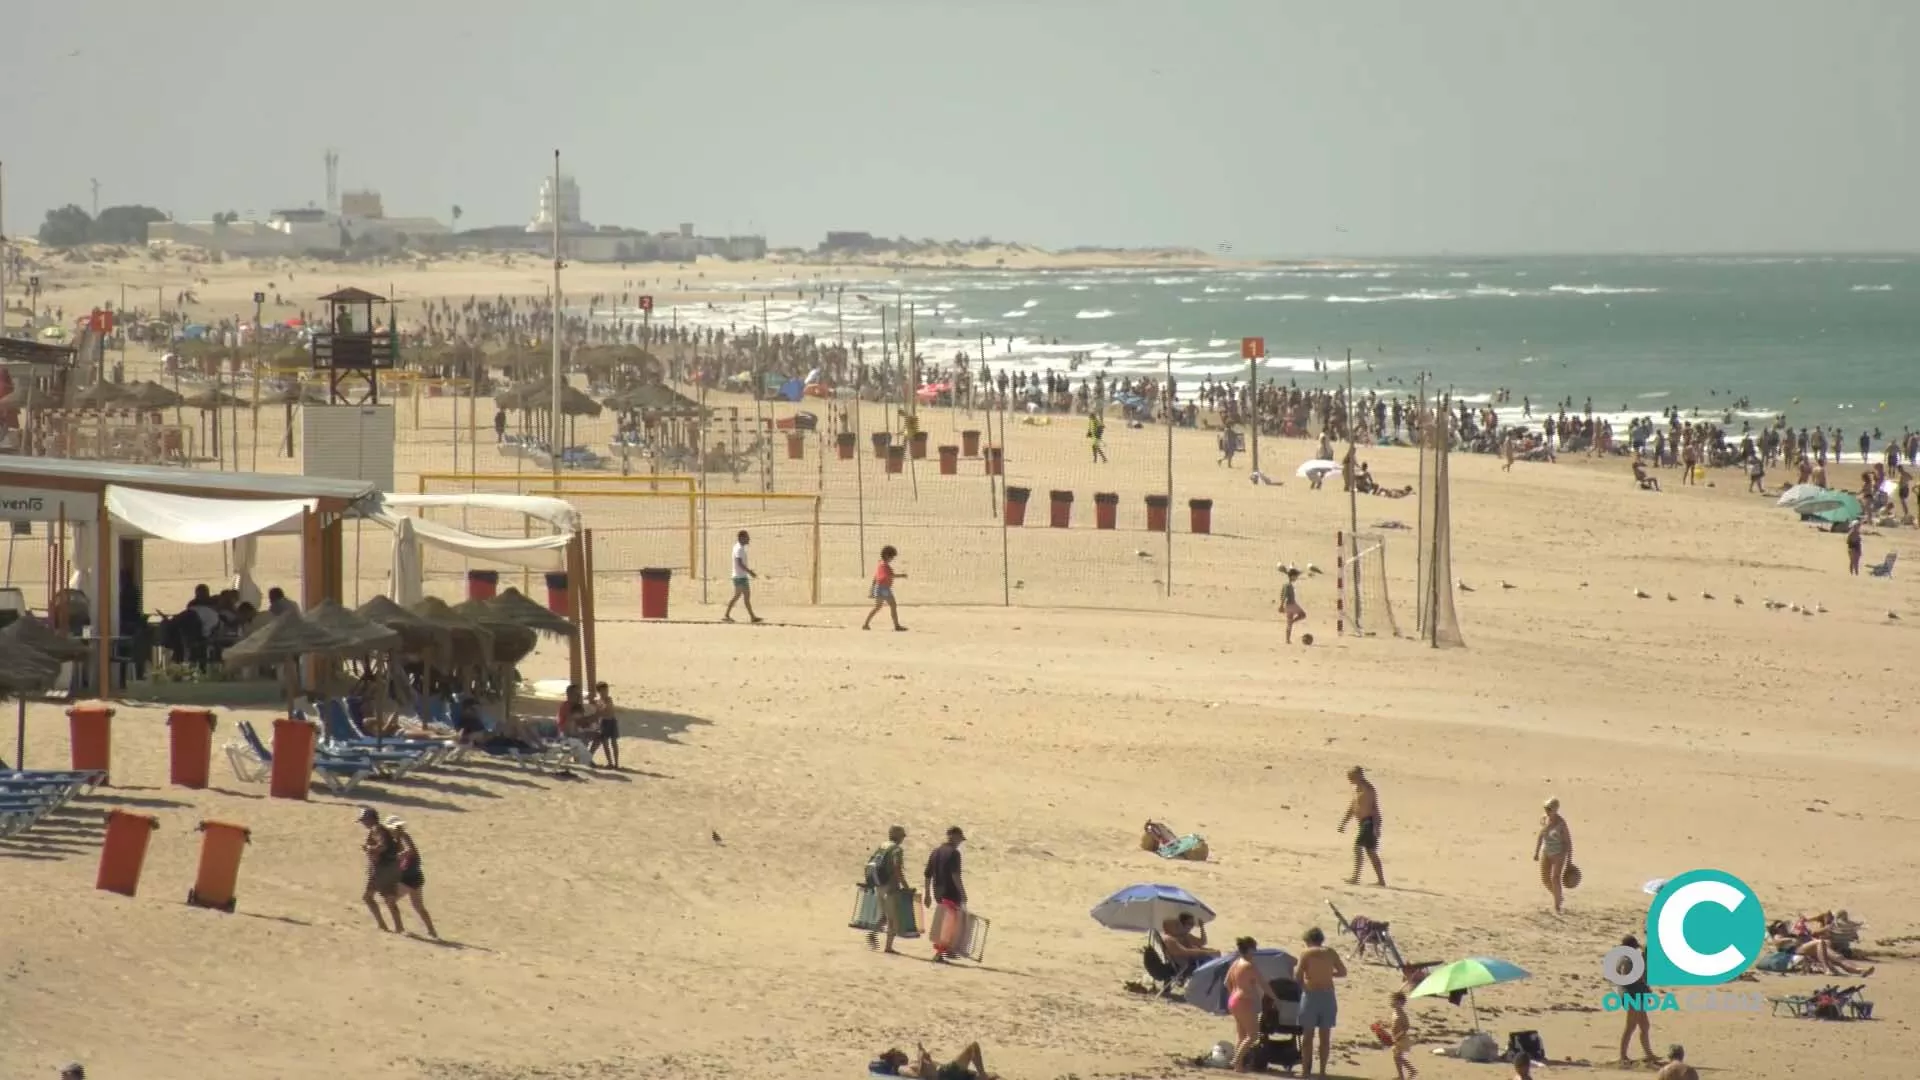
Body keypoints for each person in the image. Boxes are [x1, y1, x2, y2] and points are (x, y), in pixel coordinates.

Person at [1296, 927, 1347, 1079]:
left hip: (1311, 995)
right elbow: (1343, 972)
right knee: (1325, 1037)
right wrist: (1328, 973)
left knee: (1307, 1037)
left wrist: (1305, 984)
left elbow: (1297, 976)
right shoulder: (1330, 952)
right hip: (1327, 996)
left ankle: (1305, 1071)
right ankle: (1322, 1072)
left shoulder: (1306, 953)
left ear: (1309, 940)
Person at [1226, 937, 1279, 1073]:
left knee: (1242, 1035)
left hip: (1233, 1000)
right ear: (1249, 949)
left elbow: (1227, 982)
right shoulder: (1249, 966)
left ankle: (1238, 1066)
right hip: (1244, 1000)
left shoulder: (1236, 963)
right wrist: (1275, 998)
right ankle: (1235, 1061)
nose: (1255, 951)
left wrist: (1234, 994)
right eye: (1254, 949)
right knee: (1253, 1035)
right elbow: (1263, 984)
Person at [388, 818, 440, 939]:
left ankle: (399, 928)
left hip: (408, 879)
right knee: (418, 906)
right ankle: (432, 931)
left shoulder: (403, 837)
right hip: (416, 877)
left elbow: (409, 851)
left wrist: (398, 856)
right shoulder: (400, 839)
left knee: (390, 900)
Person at [358, 807, 406, 933]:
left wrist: (369, 848)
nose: (363, 823)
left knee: (374, 898)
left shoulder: (377, 829)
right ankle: (392, 926)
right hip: (385, 869)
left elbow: (382, 846)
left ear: (371, 819)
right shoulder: (381, 830)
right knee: (382, 899)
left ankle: (389, 926)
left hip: (382, 870)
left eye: (364, 820)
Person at [923, 826, 967, 962]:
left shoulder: (935, 852)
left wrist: (927, 894)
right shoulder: (954, 853)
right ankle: (940, 953)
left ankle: (947, 951)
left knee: (944, 922)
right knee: (949, 924)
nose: (960, 842)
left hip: (938, 892)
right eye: (960, 839)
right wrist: (962, 892)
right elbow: (955, 875)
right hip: (951, 892)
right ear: (954, 837)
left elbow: (928, 875)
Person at [1337, 766, 1386, 887]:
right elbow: (1353, 807)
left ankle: (1355, 878)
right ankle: (1381, 881)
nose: (1349, 779)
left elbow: (1374, 808)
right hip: (1363, 822)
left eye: (1351, 777)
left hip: (1369, 822)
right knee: (1370, 851)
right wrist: (1344, 822)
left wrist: (1376, 827)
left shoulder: (1368, 789)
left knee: (1358, 847)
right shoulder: (1358, 789)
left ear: (1358, 776)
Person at [1614, 934, 1658, 1066]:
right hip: (1631, 995)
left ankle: (1649, 1054)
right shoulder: (1627, 960)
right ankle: (1623, 1056)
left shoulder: (1629, 958)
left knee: (1644, 1025)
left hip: (1636, 994)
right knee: (1631, 1026)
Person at [867, 824, 910, 954]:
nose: (903, 838)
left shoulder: (883, 846)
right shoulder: (896, 849)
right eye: (902, 835)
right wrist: (905, 886)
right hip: (890, 886)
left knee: (884, 916)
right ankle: (888, 947)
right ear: (898, 836)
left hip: (879, 884)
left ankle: (873, 932)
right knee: (892, 918)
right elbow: (897, 868)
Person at [871, 1042, 998, 1080]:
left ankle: (982, 1075)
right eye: (899, 1054)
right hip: (944, 1074)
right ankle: (982, 1075)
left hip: (950, 1074)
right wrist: (921, 1058)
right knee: (973, 1047)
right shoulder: (901, 1068)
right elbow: (919, 1076)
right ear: (894, 1060)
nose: (903, 1054)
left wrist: (926, 1059)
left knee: (995, 1077)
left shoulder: (910, 1064)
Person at [1534, 798, 1573, 914]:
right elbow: (1541, 835)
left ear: (1555, 810)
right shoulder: (1544, 819)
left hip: (1558, 854)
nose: (1547, 811)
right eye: (1546, 808)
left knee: (1555, 878)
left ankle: (1557, 906)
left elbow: (1568, 842)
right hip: (1546, 851)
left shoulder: (1561, 823)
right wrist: (1536, 851)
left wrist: (1569, 860)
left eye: (1549, 809)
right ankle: (1558, 896)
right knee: (1545, 879)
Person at [863, 545, 908, 632]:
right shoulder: (885, 566)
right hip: (884, 589)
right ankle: (897, 626)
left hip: (879, 588)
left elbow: (875, 578)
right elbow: (889, 576)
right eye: (892, 557)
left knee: (877, 607)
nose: (892, 559)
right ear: (887, 556)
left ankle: (866, 624)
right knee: (893, 605)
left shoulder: (880, 565)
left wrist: (872, 589)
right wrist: (901, 575)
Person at [723, 530, 762, 623]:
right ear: (741, 538)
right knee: (740, 596)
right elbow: (739, 563)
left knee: (743, 596)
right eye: (746, 537)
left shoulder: (739, 547)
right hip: (739, 577)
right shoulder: (739, 549)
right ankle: (727, 615)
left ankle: (752, 617)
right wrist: (750, 572)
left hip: (741, 576)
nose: (748, 539)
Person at [590, 682, 620, 768]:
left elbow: (604, 709)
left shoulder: (608, 699)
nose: (606, 692)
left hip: (612, 722)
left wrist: (596, 704)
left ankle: (616, 763)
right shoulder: (599, 701)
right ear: (599, 692)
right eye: (603, 691)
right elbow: (599, 712)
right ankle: (610, 763)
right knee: (605, 744)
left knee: (614, 743)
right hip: (604, 722)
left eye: (606, 690)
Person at [1389, 990, 1417, 1080]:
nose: (1392, 1002)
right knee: (1397, 1058)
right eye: (1391, 1000)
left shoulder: (1402, 1015)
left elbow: (1406, 1027)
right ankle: (1404, 1074)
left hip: (1402, 1039)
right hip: (1396, 1037)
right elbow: (1394, 1024)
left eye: (1395, 1001)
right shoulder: (1395, 1012)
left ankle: (1408, 1072)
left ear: (1402, 1003)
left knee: (1398, 1058)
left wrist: (1398, 1036)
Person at [1279, 567, 1306, 644]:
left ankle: (1287, 640)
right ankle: (1292, 622)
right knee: (1302, 614)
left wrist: (1282, 605)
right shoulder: (1288, 585)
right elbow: (1284, 595)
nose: (1296, 578)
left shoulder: (1287, 585)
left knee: (1289, 623)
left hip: (1288, 605)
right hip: (1291, 604)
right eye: (1296, 576)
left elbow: (1282, 595)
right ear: (1292, 576)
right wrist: (1281, 605)